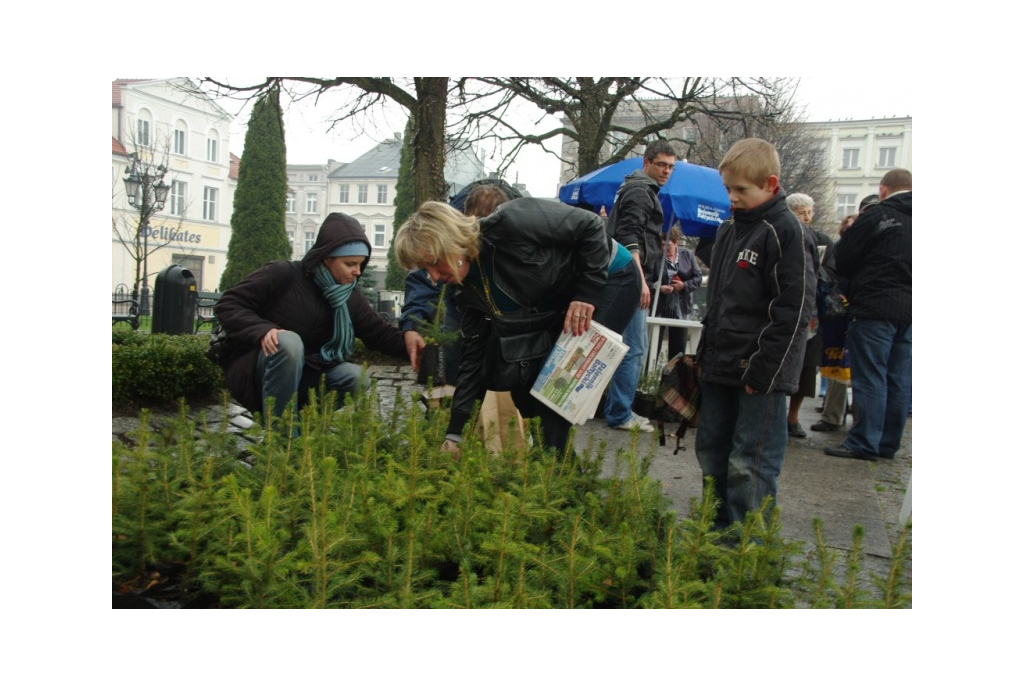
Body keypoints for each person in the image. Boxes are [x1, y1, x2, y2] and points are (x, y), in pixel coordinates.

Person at [393, 197, 642, 458]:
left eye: (433, 262)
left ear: (450, 242)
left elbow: (590, 225)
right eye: (424, 269)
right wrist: (455, 434)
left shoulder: (511, 221)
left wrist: (586, 293)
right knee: (525, 393)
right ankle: (553, 479)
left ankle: (560, 486)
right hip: (562, 298)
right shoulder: (464, 289)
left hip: (611, 279)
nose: (433, 276)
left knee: (555, 392)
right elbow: (474, 360)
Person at [694, 138, 816, 529]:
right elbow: (718, 303)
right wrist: (703, 357)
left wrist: (765, 371)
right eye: (728, 189)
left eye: (741, 190)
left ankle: (748, 549)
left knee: (750, 461)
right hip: (721, 365)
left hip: (759, 373)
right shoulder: (729, 229)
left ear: (771, 183)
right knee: (712, 451)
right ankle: (712, 532)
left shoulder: (787, 231)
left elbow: (794, 311)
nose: (731, 198)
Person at [215, 212, 425, 423]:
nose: (357, 272)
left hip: (307, 373)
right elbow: (228, 304)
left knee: (356, 377)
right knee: (288, 342)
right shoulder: (283, 274)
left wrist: (413, 344)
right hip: (256, 370)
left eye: (360, 264)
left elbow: (377, 333)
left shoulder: (347, 295)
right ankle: (280, 436)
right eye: (350, 264)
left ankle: (302, 429)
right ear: (327, 258)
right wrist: (263, 330)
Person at [400, 183, 526, 453]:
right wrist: (412, 324)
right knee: (455, 360)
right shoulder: (442, 232)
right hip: (456, 301)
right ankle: (442, 434)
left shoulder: (516, 224)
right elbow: (422, 277)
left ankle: (508, 445)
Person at [825, 170, 911, 461]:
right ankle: (888, 442)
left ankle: (864, 441)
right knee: (898, 378)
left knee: (871, 376)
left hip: (875, 305)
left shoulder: (878, 215)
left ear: (883, 189)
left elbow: (844, 256)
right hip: (911, 309)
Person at [603, 140, 678, 433]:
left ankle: (614, 409)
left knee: (618, 345)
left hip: (622, 275)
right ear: (646, 162)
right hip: (629, 276)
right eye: (661, 164)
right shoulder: (640, 191)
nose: (667, 171)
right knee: (633, 348)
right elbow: (629, 236)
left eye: (671, 166)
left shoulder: (635, 189)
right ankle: (620, 414)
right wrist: (640, 280)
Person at [811, 195, 878, 432]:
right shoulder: (876, 240)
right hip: (849, 311)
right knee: (845, 365)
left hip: (858, 311)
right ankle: (838, 416)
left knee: (859, 368)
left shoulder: (855, 242)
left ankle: (845, 418)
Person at [783, 193, 833, 438]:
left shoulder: (821, 239)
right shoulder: (781, 234)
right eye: (802, 213)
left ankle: (792, 417)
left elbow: (832, 271)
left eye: (809, 213)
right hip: (785, 307)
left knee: (806, 365)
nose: (807, 217)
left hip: (811, 311)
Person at [656, 225, 704, 359]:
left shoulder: (687, 255)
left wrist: (683, 286)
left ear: (676, 243)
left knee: (678, 350)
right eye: (662, 246)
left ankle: (674, 377)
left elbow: (698, 278)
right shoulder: (657, 257)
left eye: (668, 246)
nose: (665, 249)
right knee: (654, 344)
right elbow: (648, 279)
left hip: (681, 307)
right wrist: (659, 288)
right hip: (661, 306)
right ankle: (649, 374)